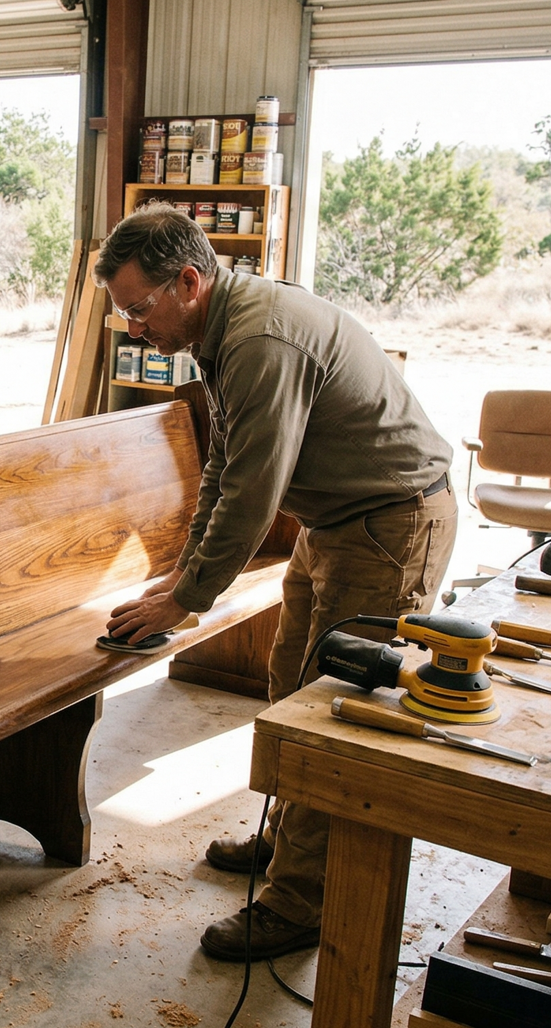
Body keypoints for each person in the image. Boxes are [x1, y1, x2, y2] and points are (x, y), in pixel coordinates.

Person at [98, 203, 457, 962]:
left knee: (337, 713)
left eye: (138, 308)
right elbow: (224, 468)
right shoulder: (221, 326)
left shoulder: (257, 337)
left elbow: (255, 491)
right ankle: (288, 838)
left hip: (393, 524)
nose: (133, 326)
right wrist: (180, 576)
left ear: (188, 281)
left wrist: (188, 597)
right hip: (337, 522)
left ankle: (302, 902)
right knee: (293, 685)